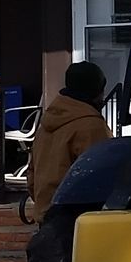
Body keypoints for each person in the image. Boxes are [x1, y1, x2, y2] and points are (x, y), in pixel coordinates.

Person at [28, 60, 113, 219]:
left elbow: (31, 175)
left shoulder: (45, 126)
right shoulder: (91, 127)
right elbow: (102, 177)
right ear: (96, 90)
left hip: (46, 216)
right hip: (77, 220)